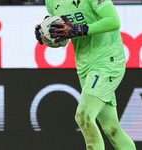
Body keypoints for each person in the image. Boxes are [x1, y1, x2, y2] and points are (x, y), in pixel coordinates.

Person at [35, 0, 136, 149]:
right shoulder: (51, 2)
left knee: (83, 116)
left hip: (107, 61)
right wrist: (48, 35)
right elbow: (66, 35)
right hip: (84, 66)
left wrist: (78, 30)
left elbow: (113, 21)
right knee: (111, 128)